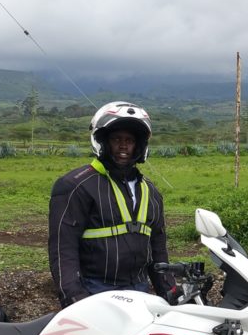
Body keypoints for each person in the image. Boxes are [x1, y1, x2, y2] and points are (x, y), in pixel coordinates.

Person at [48, 101, 176, 307]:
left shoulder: (151, 192)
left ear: (139, 145)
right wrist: (73, 295)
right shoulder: (75, 185)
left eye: (130, 140)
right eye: (117, 139)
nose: (123, 145)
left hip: (139, 290)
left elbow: (158, 248)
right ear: (103, 141)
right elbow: (63, 247)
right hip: (94, 290)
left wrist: (170, 291)